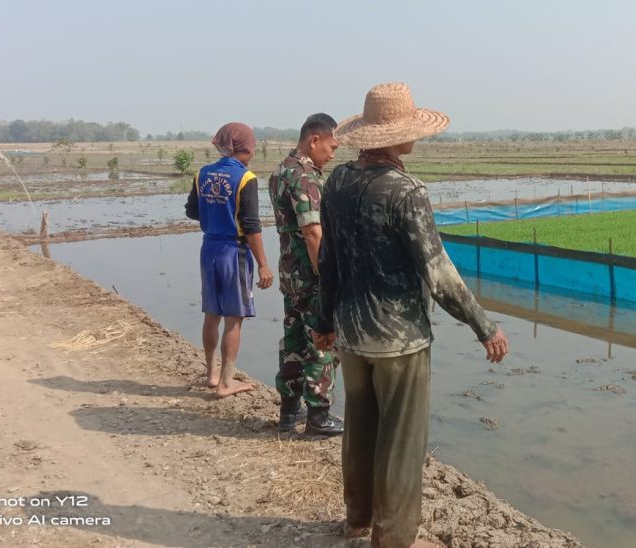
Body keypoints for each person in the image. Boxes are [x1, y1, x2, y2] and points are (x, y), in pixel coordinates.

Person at [314, 83, 509, 548]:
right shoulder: (406, 191)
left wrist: (323, 322)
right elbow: (438, 273)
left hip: (351, 335)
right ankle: (394, 538)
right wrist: (484, 325)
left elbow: (329, 261)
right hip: (398, 340)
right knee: (401, 443)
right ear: (398, 135)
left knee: (360, 430)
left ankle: (357, 520)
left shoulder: (337, 183)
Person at [184, 122, 274, 398]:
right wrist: (263, 264)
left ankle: (211, 374)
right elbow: (251, 226)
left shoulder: (203, 173)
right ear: (247, 147)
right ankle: (225, 382)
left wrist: (215, 216)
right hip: (234, 252)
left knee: (212, 314)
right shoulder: (246, 178)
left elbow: (192, 211)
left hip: (209, 248)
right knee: (234, 317)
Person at [268, 113, 344, 435]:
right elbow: (313, 232)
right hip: (310, 273)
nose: (333, 154)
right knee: (321, 341)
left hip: (291, 273)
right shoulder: (304, 175)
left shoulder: (281, 170)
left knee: (294, 340)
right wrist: (328, 276)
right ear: (314, 140)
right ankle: (318, 415)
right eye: (331, 146)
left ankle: (289, 411)